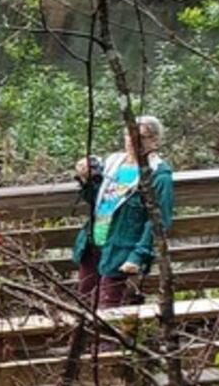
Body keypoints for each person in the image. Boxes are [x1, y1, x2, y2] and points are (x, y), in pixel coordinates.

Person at [74, 115, 175, 309]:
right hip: (94, 241)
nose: (132, 140)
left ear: (154, 140)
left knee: (110, 307)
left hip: (122, 249)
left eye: (141, 136)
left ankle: (107, 341)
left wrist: (138, 255)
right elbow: (98, 200)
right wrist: (87, 179)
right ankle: (84, 340)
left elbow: (159, 221)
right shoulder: (113, 163)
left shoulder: (158, 174)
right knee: (85, 301)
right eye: (129, 134)